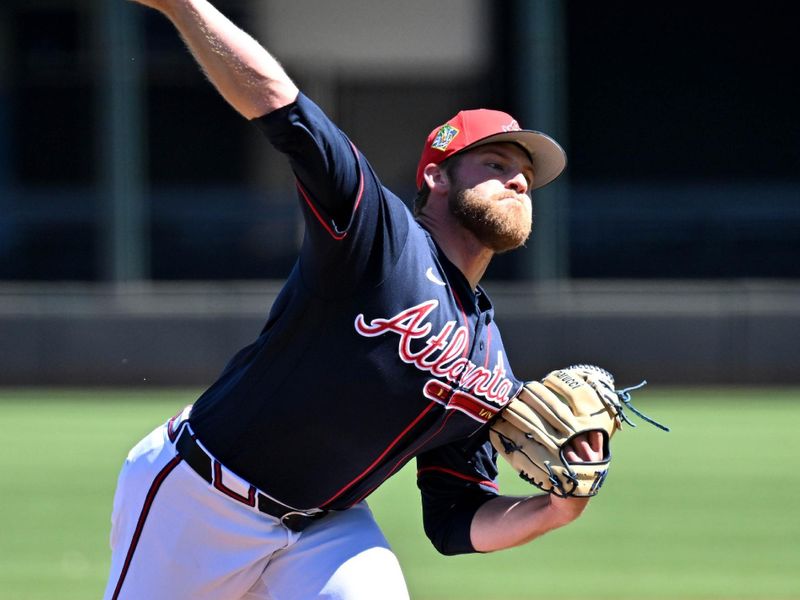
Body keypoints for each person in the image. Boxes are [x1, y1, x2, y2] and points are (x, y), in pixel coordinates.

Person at [106, 1, 603, 599]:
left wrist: (555, 509)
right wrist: (186, 7)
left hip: (326, 526)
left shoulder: (490, 361)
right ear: (436, 176)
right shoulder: (379, 238)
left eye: (526, 175)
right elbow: (285, 110)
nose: (519, 181)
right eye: (495, 164)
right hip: (203, 499)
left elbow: (454, 518)